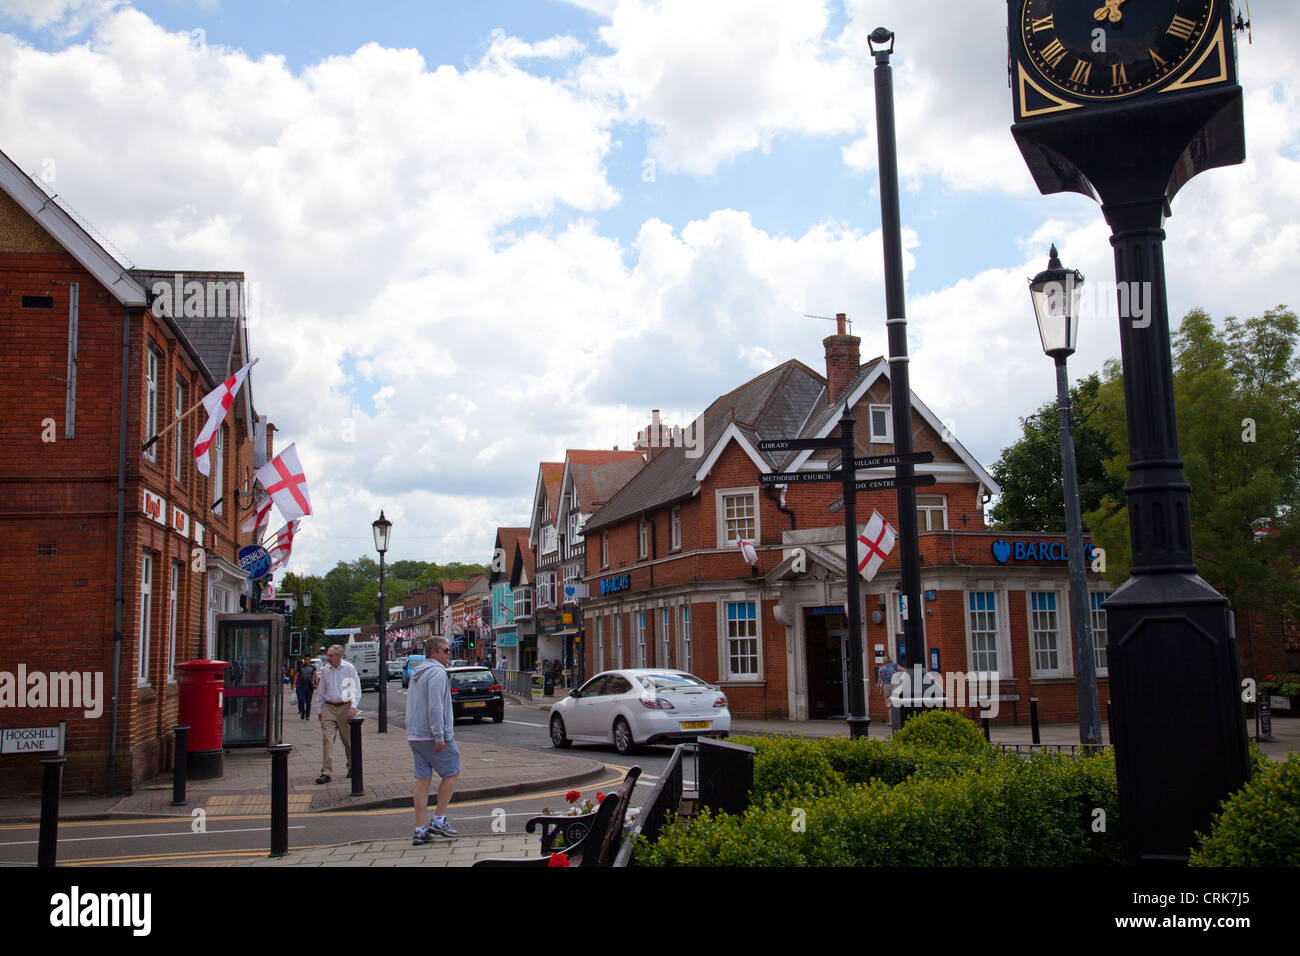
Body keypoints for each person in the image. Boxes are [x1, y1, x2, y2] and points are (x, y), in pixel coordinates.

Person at [407, 636, 460, 843]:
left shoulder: (417, 673)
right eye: (445, 650)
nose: (449, 654)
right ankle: (438, 820)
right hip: (432, 735)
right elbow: (435, 706)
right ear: (433, 652)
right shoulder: (437, 672)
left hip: (415, 735)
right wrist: (439, 735)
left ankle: (419, 829)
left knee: (423, 780)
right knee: (452, 772)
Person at [315, 644, 360, 784]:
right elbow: (321, 691)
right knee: (327, 739)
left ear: (339, 656)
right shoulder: (325, 670)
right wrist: (320, 710)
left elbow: (355, 689)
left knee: (348, 740)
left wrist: (353, 707)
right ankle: (326, 772)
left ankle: (351, 766)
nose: (327, 658)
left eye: (330, 655)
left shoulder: (349, 668)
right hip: (329, 707)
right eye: (327, 655)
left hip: (345, 706)